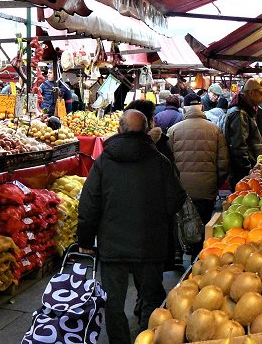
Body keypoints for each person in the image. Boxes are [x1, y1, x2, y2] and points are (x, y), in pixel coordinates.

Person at [77, 110, 186, 343]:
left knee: (113, 303)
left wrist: (85, 240)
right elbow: (176, 197)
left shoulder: (104, 161)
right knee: (151, 298)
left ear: (119, 129)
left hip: (112, 245)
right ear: (147, 131)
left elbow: (89, 204)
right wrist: (157, 215)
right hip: (150, 243)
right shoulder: (159, 160)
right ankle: (148, 337)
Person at [167, 93, 229, 258]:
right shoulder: (215, 130)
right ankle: (198, 259)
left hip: (181, 189)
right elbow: (223, 163)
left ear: (184, 108)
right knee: (202, 225)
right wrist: (215, 183)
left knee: (181, 223)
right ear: (201, 107)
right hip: (206, 189)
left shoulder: (173, 131)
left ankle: (180, 253)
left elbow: (168, 163)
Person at [224, 77, 262, 191]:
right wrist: (248, 171)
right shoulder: (239, 113)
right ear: (251, 93)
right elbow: (239, 147)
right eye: (261, 94)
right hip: (242, 173)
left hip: (249, 169)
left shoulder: (251, 110)